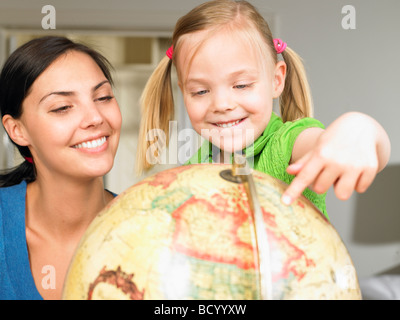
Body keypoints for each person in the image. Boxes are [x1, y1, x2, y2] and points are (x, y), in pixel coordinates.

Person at [136, 0, 390, 219]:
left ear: (276, 81)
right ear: (183, 92)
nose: (222, 104)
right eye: (200, 91)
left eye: (242, 85)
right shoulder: (193, 167)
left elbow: (343, 145)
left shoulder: (288, 144)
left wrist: (358, 129)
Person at [0, 36, 122, 299]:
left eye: (103, 97)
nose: (95, 118)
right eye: (63, 107)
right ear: (17, 130)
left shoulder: (155, 230)